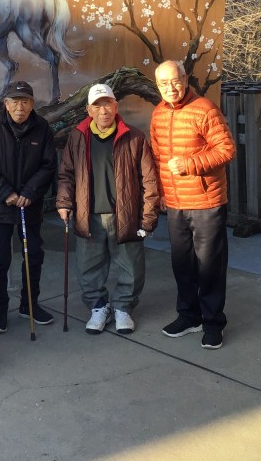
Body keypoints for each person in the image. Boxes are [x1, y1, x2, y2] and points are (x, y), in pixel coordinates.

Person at [56, 83, 160, 335]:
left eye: (107, 104)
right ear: (89, 110)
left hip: (125, 214)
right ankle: (98, 306)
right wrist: (64, 202)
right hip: (88, 214)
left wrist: (148, 217)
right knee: (89, 266)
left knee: (131, 266)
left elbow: (149, 180)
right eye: (97, 106)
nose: (103, 111)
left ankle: (123, 307)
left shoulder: (133, 136)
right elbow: (66, 174)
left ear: (116, 106)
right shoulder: (78, 137)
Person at [150, 60, 236, 350]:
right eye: (164, 83)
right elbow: (157, 158)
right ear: (157, 86)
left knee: (210, 266)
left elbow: (226, 150)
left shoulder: (205, 109)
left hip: (206, 201)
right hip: (175, 203)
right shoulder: (158, 113)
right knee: (182, 264)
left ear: (185, 79)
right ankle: (189, 316)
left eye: (175, 81)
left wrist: (189, 164)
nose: (171, 88)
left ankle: (213, 323)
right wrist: (162, 193)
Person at [0, 80, 57, 333]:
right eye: (15, 101)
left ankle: (29, 305)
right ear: (6, 103)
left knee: (33, 255)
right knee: (0, 258)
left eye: (25, 101)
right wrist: (5, 193)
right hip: (0, 204)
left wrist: (30, 192)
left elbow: (48, 165)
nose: (20, 107)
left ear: (32, 104)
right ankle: (0, 310)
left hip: (29, 204)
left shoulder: (42, 127)